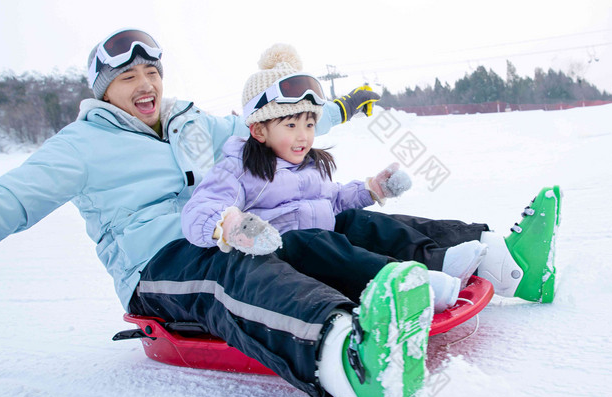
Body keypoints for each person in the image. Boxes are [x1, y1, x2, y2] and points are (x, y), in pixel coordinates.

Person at [0, 29, 561, 397]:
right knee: (228, 273)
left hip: (238, 226)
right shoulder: (81, 147)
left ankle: (496, 258)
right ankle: (350, 356)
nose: (146, 84)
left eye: (151, 70)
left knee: (330, 218)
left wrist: (339, 109)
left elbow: (262, 120)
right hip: (159, 262)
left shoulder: (188, 121)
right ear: (104, 90)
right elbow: (1, 204)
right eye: (129, 78)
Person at [181, 44, 472, 313]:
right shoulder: (238, 168)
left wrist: (372, 188)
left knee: (355, 222)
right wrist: (231, 225)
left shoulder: (307, 165)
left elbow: (333, 200)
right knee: (316, 243)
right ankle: (407, 287)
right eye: (291, 124)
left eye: (309, 124)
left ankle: (437, 260)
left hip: (322, 251)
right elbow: (198, 211)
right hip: (282, 264)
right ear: (259, 131)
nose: (304, 135)